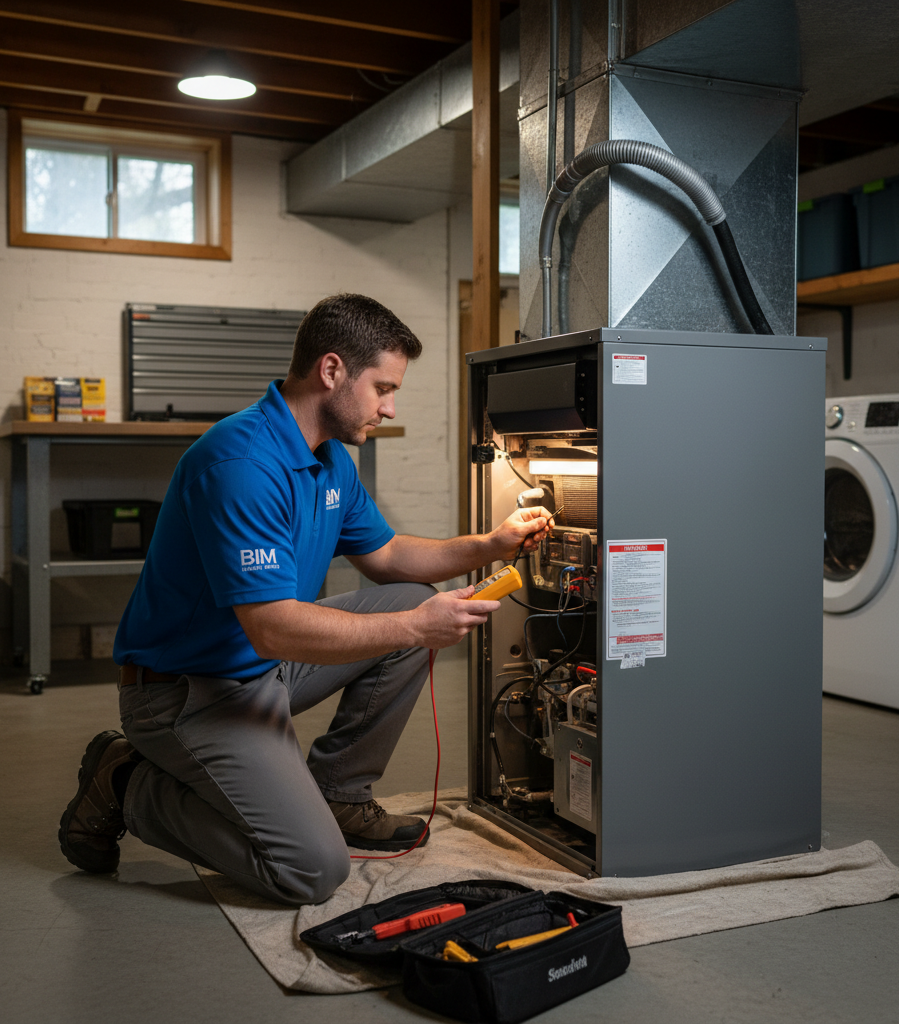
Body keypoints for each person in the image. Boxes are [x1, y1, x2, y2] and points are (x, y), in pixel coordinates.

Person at [58, 293, 550, 907]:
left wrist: (492, 542)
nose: (390, 407)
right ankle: (126, 780)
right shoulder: (239, 461)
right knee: (311, 870)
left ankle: (340, 794)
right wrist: (417, 628)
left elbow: (391, 557)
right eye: (383, 388)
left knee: (406, 596)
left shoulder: (329, 462)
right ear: (332, 370)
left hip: (264, 668)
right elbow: (273, 628)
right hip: (185, 692)